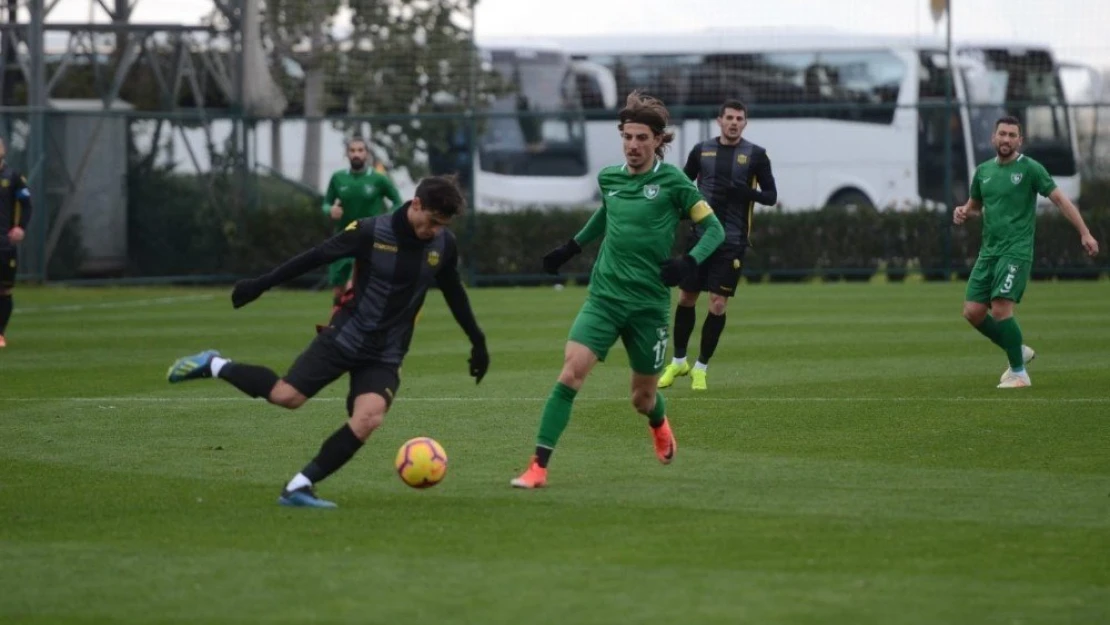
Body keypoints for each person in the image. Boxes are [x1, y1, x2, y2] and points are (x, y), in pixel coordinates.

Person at [166, 176, 490, 507]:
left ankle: (298, 487)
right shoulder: (370, 231)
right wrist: (261, 284)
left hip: (386, 352)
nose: (435, 230)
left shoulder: (443, 245)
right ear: (416, 204)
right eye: (432, 221)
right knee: (286, 397)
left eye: (442, 225)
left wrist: (477, 341)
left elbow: (454, 291)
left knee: (369, 418)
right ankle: (214, 364)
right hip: (346, 336)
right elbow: (316, 256)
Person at [511, 91, 726, 489]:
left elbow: (715, 229)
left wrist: (689, 262)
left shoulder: (674, 183)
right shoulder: (609, 178)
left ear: (659, 140)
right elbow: (606, 213)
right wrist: (570, 248)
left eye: (642, 138)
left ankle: (659, 422)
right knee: (571, 372)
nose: (633, 145)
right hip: (605, 297)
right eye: (627, 137)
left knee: (641, 399)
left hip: (648, 307)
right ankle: (538, 467)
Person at [953, 115, 1099, 388]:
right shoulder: (983, 171)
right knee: (972, 311)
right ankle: (1016, 348)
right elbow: (974, 206)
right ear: (993, 138)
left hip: (1016, 252)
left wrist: (1085, 232)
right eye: (1002, 134)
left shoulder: (1031, 169)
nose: (1006, 139)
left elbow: (1060, 200)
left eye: (1012, 135)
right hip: (989, 252)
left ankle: (1019, 373)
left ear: (1020, 140)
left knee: (1000, 309)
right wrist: (963, 211)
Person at [658, 100, 777, 391]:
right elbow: (683, 185)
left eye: (739, 118)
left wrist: (746, 192)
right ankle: (678, 361)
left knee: (718, 303)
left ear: (745, 123)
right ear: (719, 120)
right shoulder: (701, 151)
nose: (734, 122)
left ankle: (701, 368)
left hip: (732, 242)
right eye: (729, 118)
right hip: (699, 238)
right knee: (686, 298)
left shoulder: (756, 155)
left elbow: (771, 196)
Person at [323, 137, 403, 312]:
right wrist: (330, 210)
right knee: (338, 292)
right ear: (347, 154)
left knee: (355, 286)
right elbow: (326, 203)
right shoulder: (338, 178)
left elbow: (398, 202)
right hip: (343, 238)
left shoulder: (378, 179)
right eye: (352, 150)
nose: (356, 154)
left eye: (360, 150)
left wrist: (387, 219)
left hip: (369, 239)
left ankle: (355, 327)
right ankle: (336, 327)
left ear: (366, 154)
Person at [0, 137, 32, 348]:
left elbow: (27, 205)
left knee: (4, 290)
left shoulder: (13, 177)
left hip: (3, 244)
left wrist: (20, 227)